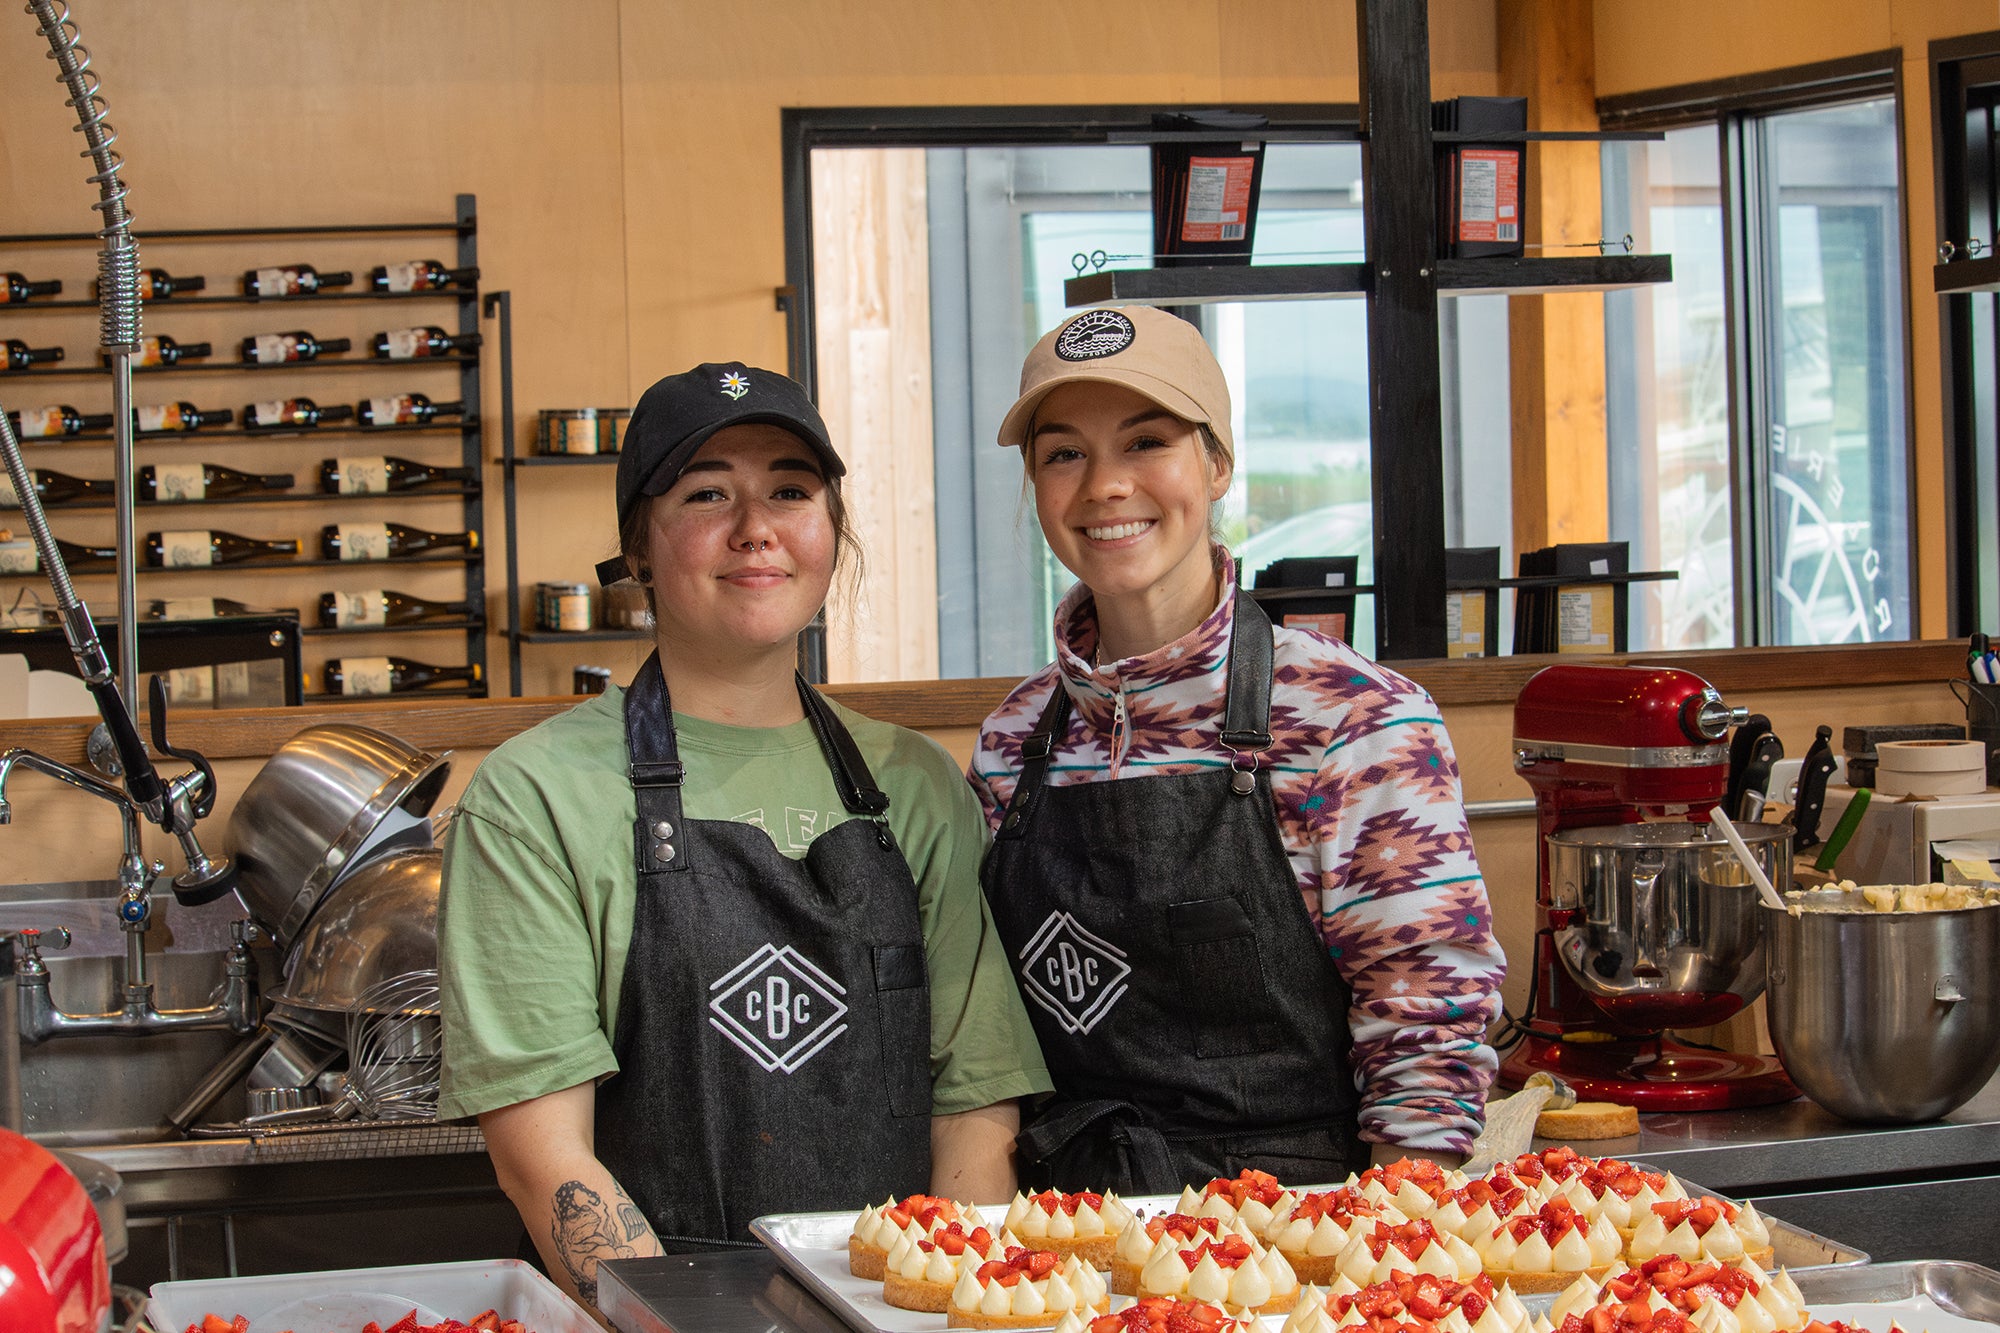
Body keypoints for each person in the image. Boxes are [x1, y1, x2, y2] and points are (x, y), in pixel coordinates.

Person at [437, 363, 1051, 1311]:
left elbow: (972, 1104)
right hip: (645, 1309)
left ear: (832, 532)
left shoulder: (915, 786)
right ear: (640, 545)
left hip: (891, 1301)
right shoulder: (536, 797)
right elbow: (545, 1158)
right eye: (707, 492)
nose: (755, 526)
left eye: (791, 491)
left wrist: (934, 1313)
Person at [969, 307, 1504, 1194]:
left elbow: (1426, 1028)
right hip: (1063, 1236)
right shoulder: (1014, 740)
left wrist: (1386, 1266)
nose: (1105, 484)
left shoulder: (1354, 720)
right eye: (1063, 453)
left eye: (1146, 441)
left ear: (1216, 464)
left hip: (1295, 1236)